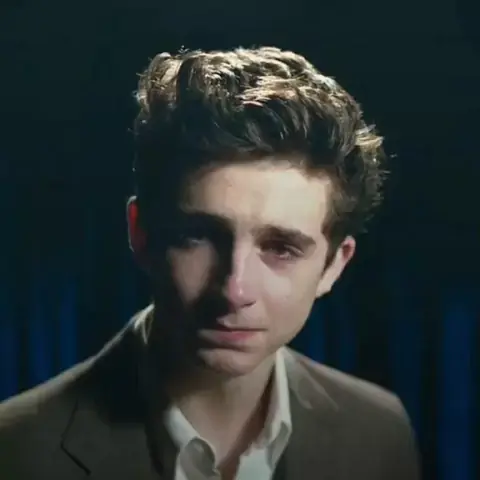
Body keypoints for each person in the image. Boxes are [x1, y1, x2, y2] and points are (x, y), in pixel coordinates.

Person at [0, 46, 420, 480]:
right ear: (140, 233)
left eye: (281, 248)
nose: (235, 290)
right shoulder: (15, 452)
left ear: (334, 266)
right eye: (197, 236)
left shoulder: (379, 434)